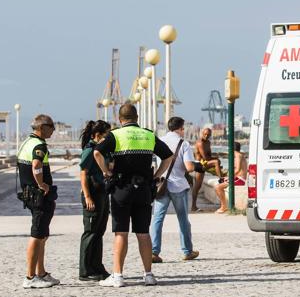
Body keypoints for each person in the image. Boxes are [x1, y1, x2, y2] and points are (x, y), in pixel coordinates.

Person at [94, 104, 173, 287]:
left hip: (121, 189)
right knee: (143, 233)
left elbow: (97, 152)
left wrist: (106, 172)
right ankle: (148, 275)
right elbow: (168, 157)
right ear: (137, 117)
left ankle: (118, 276)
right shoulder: (148, 134)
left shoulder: (116, 135)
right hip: (144, 189)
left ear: (120, 119)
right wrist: (156, 175)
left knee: (121, 233)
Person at [18, 114, 60, 288]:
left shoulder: (26, 142)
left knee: (42, 235)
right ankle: (30, 278)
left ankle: (41, 273)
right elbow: (36, 166)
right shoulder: (39, 145)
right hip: (39, 196)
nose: (53, 130)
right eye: (52, 126)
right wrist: (42, 184)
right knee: (37, 235)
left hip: (29, 194)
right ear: (42, 127)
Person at [150, 117, 199, 262]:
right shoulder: (184, 144)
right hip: (178, 186)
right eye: (183, 128)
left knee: (157, 219)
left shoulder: (159, 141)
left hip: (162, 185)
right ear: (180, 128)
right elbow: (189, 167)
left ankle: (154, 251)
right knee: (183, 220)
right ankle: (187, 251)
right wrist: (197, 166)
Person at [78, 120, 111, 281]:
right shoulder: (90, 151)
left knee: (99, 231)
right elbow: (83, 174)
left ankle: (97, 266)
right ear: (98, 135)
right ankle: (85, 270)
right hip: (93, 194)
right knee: (90, 232)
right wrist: (87, 197)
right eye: (106, 135)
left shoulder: (100, 150)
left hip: (102, 193)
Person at [191, 128, 222, 212]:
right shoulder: (200, 143)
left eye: (208, 135)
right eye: (205, 134)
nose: (206, 136)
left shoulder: (208, 142)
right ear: (202, 133)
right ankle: (221, 179)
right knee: (216, 162)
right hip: (199, 164)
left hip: (205, 164)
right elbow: (205, 157)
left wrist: (215, 158)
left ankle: (193, 207)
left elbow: (209, 155)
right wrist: (215, 159)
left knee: (197, 186)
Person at [214, 142, 247, 213]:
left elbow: (237, 169)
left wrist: (229, 177)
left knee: (218, 187)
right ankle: (224, 204)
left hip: (240, 179)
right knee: (220, 181)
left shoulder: (238, 155)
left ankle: (224, 207)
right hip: (236, 178)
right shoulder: (237, 155)